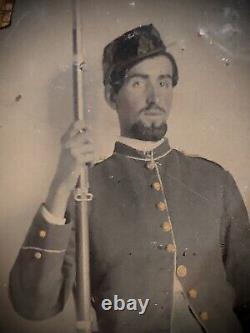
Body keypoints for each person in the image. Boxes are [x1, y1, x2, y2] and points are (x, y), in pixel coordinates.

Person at [9, 24, 250, 333]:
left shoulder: (215, 181)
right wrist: (60, 186)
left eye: (163, 81)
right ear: (112, 95)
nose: (155, 96)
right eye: (138, 83)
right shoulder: (84, 188)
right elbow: (33, 304)